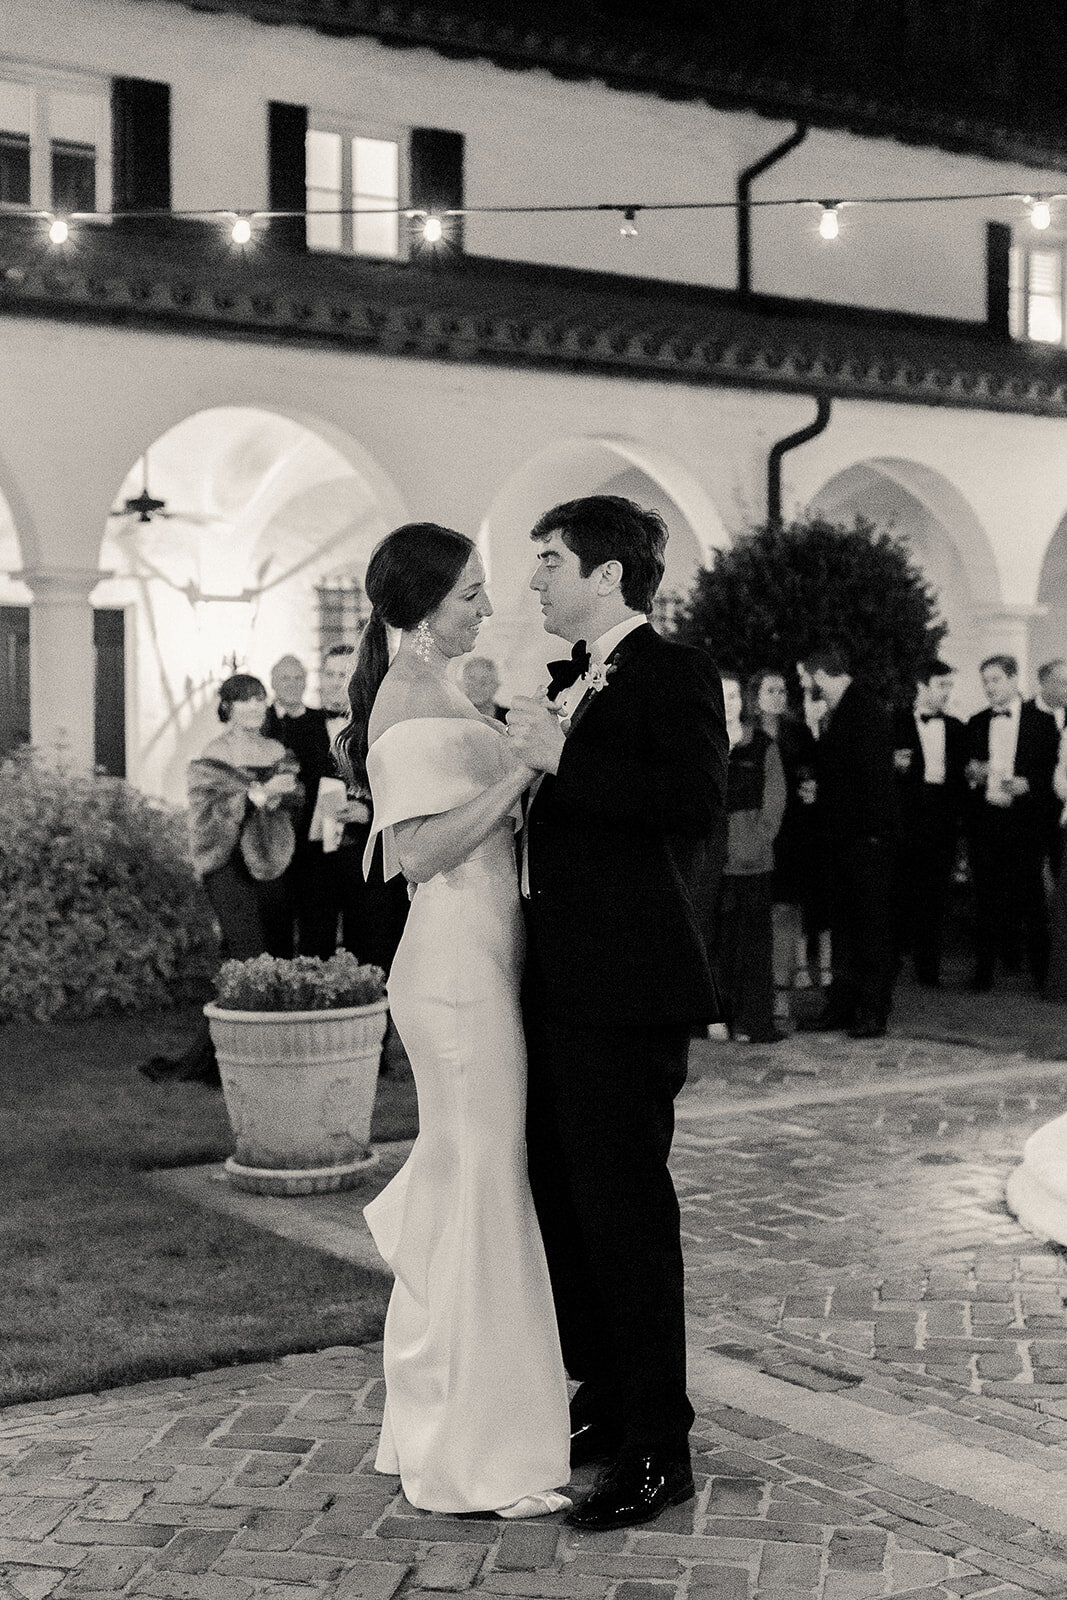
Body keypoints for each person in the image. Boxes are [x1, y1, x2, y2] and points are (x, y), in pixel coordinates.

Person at [336, 522, 571, 1519]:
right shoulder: (404, 699)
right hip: (455, 974)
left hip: (480, 960)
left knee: (465, 1187)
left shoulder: (432, 686)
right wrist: (523, 770)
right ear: (424, 602)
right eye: (471, 592)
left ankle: (433, 1424)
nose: (487, 606)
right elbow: (420, 853)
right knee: (481, 1190)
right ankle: (477, 1457)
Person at [506, 494, 727, 1532]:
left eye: (549, 560)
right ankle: (603, 1398)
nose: (533, 579)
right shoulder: (570, 680)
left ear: (606, 574)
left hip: (629, 987)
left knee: (626, 1213)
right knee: (565, 1200)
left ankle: (658, 1447)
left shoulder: (675, 672)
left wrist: (563, 758)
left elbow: (691, 804)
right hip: (560, 986)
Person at [138, 673, 301, 1084]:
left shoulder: (277, 751)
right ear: (227, 707)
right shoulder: (213, 755)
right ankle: (241, 1054)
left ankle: (228, 1058)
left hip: (271, 862)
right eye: (245, 699)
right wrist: (251, 797)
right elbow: (205, 818)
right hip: (227, 866)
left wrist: (282, 798)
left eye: (260, 699)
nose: (255, 706)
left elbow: (295, 803)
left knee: (273, 953)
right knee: (248, 957)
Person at [796, 646, 898, 1039]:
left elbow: (872, 780)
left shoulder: (865, 710)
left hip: (865, 840)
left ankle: (872, 1009)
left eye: (805, 678)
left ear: (820, 674)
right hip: (843, 840)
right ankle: (842, 1005)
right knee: (845, 930)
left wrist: (871, 835)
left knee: (870, 930)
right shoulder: (839, 712)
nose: (804, 685)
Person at [964, 653, 1059, 992]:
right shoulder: (976, 721)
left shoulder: (1042, 722)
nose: (989, 687)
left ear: (1013, 679)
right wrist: (973, 775)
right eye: (985, 681)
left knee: (1031, 897)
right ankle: (983, 972)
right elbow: (968, 771)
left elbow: (1053, 772)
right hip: (987, 821)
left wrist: (1029, 784)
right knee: (986, 896)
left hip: (1025, 822)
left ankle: (1041, 975)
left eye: (995, 680)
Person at [711, 672, 786, 1041]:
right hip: (711, 865)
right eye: (722, 695)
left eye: (735, 696)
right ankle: (715, 1017)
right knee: (715, 943)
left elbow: (775, 800)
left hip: (752, 864)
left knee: (753, 946)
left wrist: (756, 842)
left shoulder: (762, 746)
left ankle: (754, 1021)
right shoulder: (701, 743)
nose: (729, 703)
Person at [748, 667, 821, 1016]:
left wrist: (811, 789)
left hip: (792, 830)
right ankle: (753, 988)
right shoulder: (746, 733)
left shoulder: (798, 732)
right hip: (753, 829)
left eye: (782, 691)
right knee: (756, 910)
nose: (778, 697)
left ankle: (781, 989)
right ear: (755, 695)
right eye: (771, 691)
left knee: (786, 908)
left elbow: (811, 770)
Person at [892, 659, 967, 988]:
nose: (947, 692)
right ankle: (891, 962)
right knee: (898, 893)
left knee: (935, 895)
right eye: (941, 685)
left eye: (949, 685)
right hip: (905, 820)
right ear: (921, 686)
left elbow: (961, 779)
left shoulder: (957, 728)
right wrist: (893, 766)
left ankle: (929, 967)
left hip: (942, 820)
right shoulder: (894, 723)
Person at [263, 653, 310, 740]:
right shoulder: (261, 719)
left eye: (298, 678)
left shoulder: (321, 719)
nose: (292, 684)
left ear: (305, 683)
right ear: (273, 683)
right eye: (285, 678)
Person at [461, 654, 508, 722]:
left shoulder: (510, 719)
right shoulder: (452, 716)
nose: (477, 687)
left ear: (496, 686)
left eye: (484, 682)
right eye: (471, 680)